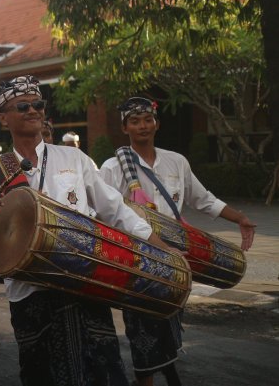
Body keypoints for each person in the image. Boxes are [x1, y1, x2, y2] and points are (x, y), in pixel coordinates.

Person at [0, 76, 177, 386]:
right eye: (23, 106)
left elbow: (117, 210)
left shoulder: (75, 159)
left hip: (84, 281)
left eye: (38, 105)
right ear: (3, 118)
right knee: (42, 375)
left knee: (100, 371)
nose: (33, 111)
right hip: (30, 294)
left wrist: (159, 246)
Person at [99, 96, 257, 386]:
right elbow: (103, 212)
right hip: (138, 261)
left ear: (156, 123)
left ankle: (166, 374)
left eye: (147, 119)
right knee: (143, 329)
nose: (142, 126)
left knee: (170, 323)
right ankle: (147, 379)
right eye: (134, 121)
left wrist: (240, 219)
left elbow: (203, 199)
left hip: (175, 258)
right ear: (125, 128)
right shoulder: (112, 167)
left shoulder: (177, 162)